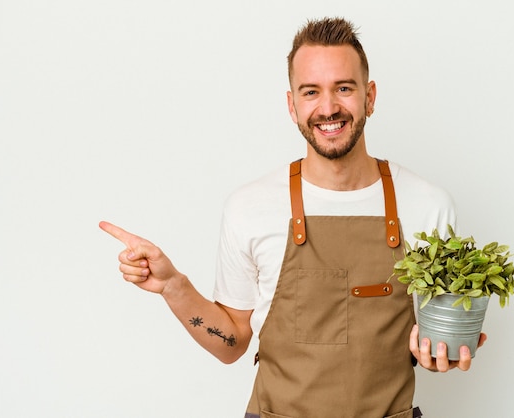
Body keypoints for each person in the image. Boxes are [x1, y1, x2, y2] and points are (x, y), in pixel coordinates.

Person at [100, 17, 487, 418]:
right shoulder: (250, 207)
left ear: (369, 97)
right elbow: (230, 344)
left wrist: (445, 349)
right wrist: (172, 287)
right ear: (292, 105)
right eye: (311, 91)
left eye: (344, 88)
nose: (329, 107)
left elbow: (439, 333)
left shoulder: (428, 204)